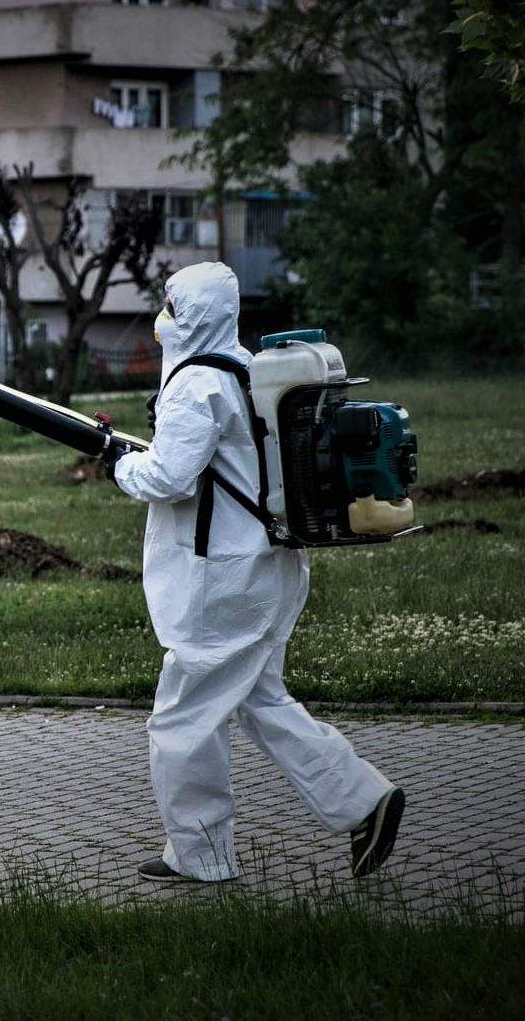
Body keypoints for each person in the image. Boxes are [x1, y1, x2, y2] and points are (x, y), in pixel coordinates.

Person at [108, 263, 403, 883]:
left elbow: (169, 478)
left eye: (171, 307)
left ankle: (200, 858)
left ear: (191, 314)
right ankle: (363, 801)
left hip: (222, 583)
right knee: (261, 701)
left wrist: (121, 466)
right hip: (272, 569)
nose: (163, 319)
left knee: (182, 721)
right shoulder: (248, 369)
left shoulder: (196, 384)